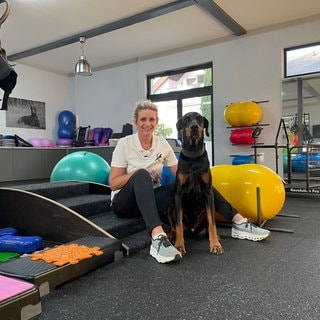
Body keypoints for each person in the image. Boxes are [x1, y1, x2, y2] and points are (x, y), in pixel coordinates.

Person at [109, 100, 270, 264]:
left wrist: (200, 168)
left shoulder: (162, 144)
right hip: (125, 203)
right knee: (141, 174)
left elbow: (180, 172)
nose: (147, 124)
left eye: (151, 119)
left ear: (156, 122)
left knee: (198, 180)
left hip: (151, 201)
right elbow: (114, 183)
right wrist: (137, 174)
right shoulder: (125, 143)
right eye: (143, 119)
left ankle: (239, 222)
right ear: (136, 122)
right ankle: (158, 238)